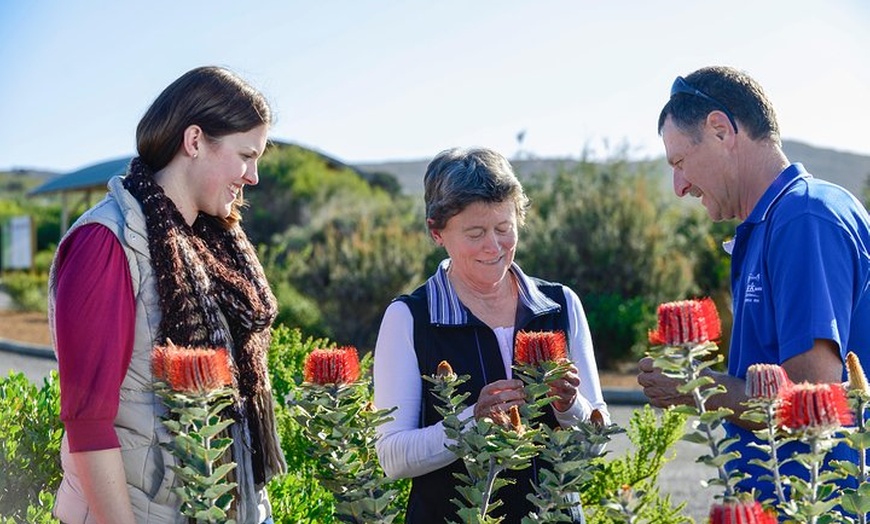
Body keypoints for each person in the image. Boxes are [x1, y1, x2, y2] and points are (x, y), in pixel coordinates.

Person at [48, 66, 286, 524]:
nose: (253, 176)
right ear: (194, 141)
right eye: (245, 155)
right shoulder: (107, 242)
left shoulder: (214, 244)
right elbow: (88, 420)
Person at [637, 65, 870, 501]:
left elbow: (812, 401)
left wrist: (694, 385)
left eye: (680, 162)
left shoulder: (804, 218)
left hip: (818, 505)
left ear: (721, 130)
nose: (679, 185)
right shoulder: (772, 223)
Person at [373, 146, 610, 522]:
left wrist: (571, 407)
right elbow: (392, 457)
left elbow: (595, 444)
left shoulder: (561, 305)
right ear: (437, 232)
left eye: (504, 228)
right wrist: (471, 422)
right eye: (475, 232)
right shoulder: (408, 318)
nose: (494, 246)